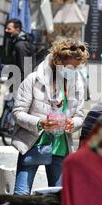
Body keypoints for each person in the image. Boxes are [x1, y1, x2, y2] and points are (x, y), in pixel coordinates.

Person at [12, 37, 88, 195]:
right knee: (21, 195)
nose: (73, 71)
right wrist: (40, 123)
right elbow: (18, 112)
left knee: (57, 199)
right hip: (33, 145)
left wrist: (73, 123)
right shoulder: (33, 80)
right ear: (58, 61)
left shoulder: (78, 84)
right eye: (70, 67)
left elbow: (80, 115)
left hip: (61, 148)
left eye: (76, 67)